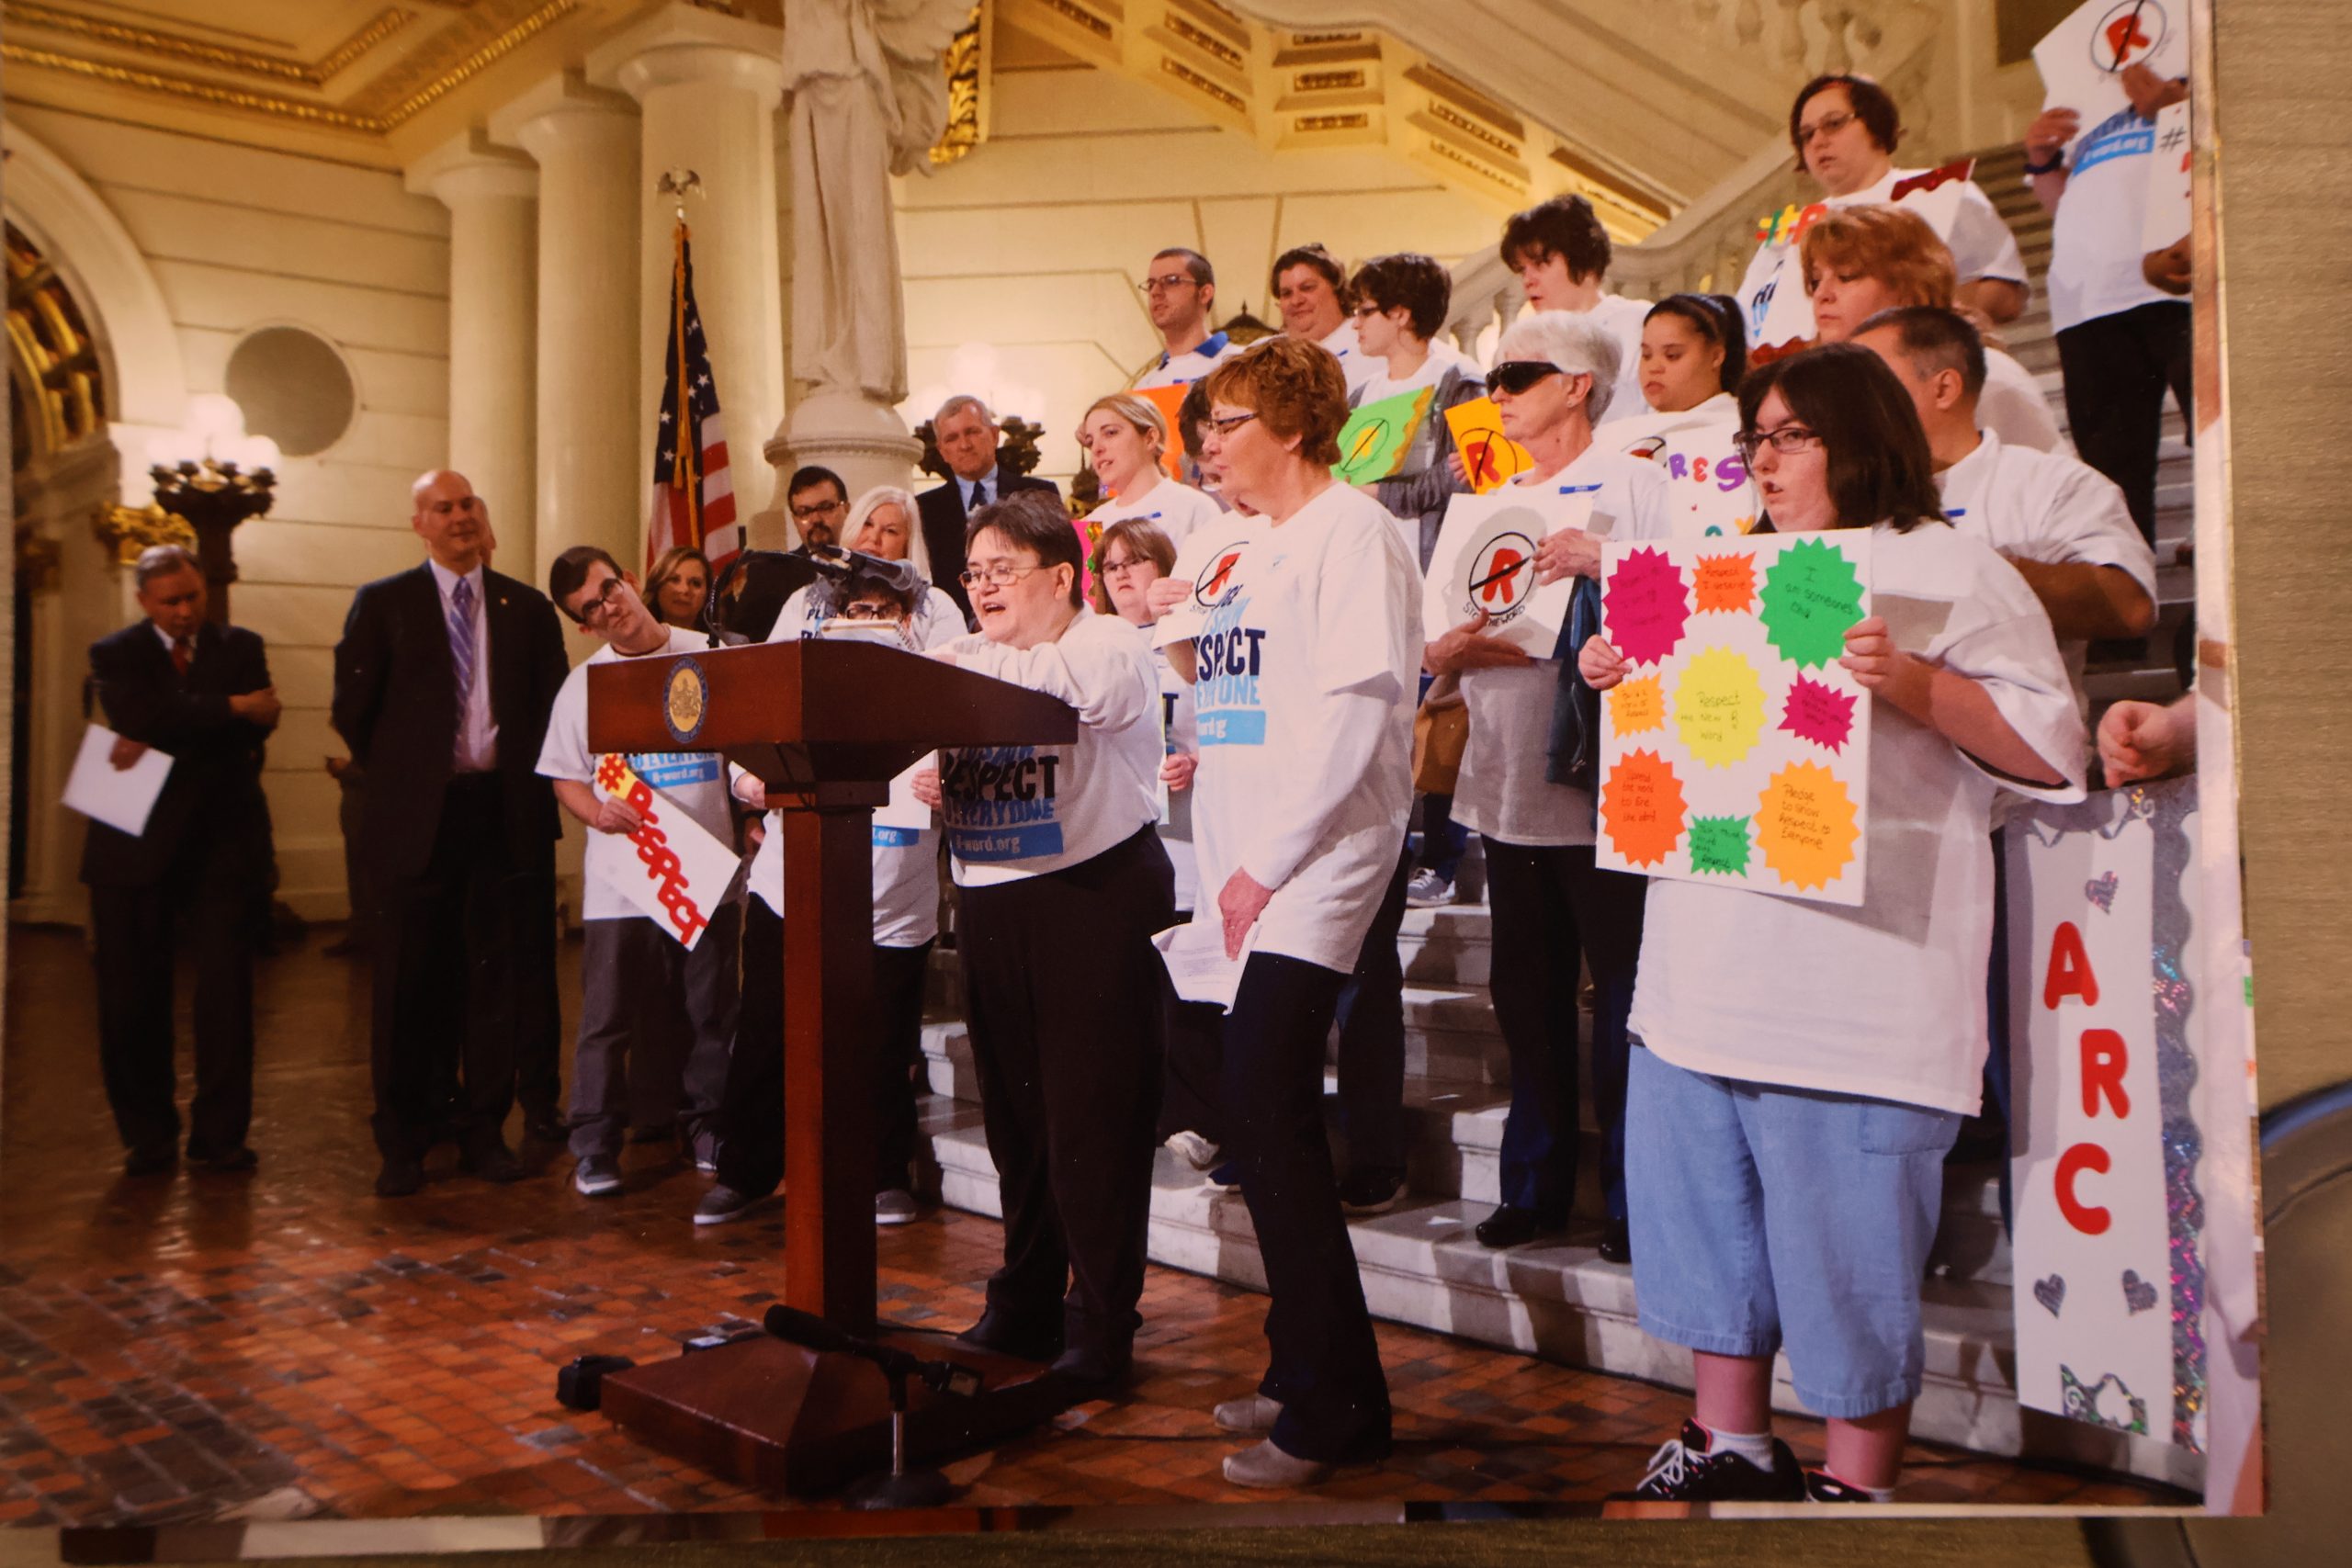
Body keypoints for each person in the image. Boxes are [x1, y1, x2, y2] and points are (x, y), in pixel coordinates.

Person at [1584, 344, 2084, 1502]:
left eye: (1790, 436)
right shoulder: (1718, 566)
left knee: (1845, 1254)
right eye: (1754, 438)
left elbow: (2053, 754)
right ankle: (1729, 1441)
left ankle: (1856, 1486)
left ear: (1861, 438)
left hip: (1857, 989)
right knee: (1704, 1223)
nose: (1763, 461)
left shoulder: (1951, 567)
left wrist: (1910, 682)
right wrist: (1626, 670)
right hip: (1700, 972)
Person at [1169, 334, 1420, 1487]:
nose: (1208, 444)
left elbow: (1355, 716)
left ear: (1292, 425)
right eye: (1206, 426)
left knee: (1267, 1106)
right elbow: (1223, 698)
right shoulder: (1243, 547)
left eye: (1227, 422)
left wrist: (1265, 864)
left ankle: (1341, 1409)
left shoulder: (1351, 530)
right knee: (1254, 1112)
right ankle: (1297, 1365)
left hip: (1317, 858)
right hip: (1246, 863)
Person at [908, 489, 1172, 1385]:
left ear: (1062, 577)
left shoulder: (1107, 642)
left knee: (1093, 1123)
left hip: (1089, 899)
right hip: (991, 904)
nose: (983, 588)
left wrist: (969, 675)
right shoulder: (965, 655)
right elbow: (915, 736)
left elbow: (1091, 695)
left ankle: (1100, 1323)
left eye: (1002, 571)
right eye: (973, 573)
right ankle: (1024, 1301)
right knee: (1016, 1124)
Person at [1424, 314, 1667, 1262]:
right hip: (1504, 773)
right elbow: (1438, 641)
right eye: (1494, 377)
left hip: (1606, 781)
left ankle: (1633, 1198)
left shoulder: (1638, 482)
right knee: (1525, 997)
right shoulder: (1486, 504)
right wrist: (1451, 647)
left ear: (1577, 384)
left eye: (1519, 374)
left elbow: (1695, 600)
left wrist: (1608, 565)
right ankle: (1532, 1185)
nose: (1498, 393)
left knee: (1622, 998)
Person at [333, 469, 571, 1198]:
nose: (461, 516)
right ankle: (403, 1138)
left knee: (493, 983)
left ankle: (482, 1131)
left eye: (468, 504)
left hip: (502, 818)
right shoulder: (384, 604)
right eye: (444, 507)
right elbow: (354, 710)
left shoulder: (527, 609)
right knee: (408, 982)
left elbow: (554, 712)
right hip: (417, 823)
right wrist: (413, 780)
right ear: (420, 524)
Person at [711, 558, 961, 1227]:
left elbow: (965, 753)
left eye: (884, 612)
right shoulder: (808, 680)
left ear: (907, 621)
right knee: (765, 1034)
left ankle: (883, 1176)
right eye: (857, 612)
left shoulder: (931, 683)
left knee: (883, 1046)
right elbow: (747, 741)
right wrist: (750, 782)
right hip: (793, 887)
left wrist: (949, 782)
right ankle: (744, 1172)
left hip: (892, 900)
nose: (869, 623)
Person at [535, 547, 739, 1197]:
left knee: (710, 1011)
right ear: (584, 625)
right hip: (623, 877)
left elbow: (747, 746)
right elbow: (564, 775)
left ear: (625, 578)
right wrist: (595, 811)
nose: (608, 607)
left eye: (607, 589)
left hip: (704, 867)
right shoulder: (584, 685)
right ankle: (594, 1144)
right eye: (590, 609)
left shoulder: (707, 653)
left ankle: (707, 1127)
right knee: (607, 1017)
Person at [81, 544, 279, 1177]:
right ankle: (148, 1136)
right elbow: (136, 712)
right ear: (144, 601)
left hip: (222, 840)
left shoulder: (240, 645)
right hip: (131, 837)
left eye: (193, 596)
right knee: (130, 996)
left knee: (226, 996)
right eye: (171, 601)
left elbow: (260, 723)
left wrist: (170, 727)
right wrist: (228, 707)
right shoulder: (115, 652)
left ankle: (220, 1138)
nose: (186, 610)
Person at [1855, 305, 2156, 711]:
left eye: (1869, 383)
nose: (1850, 403)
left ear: (1944, 389)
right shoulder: (1843, 493)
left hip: (2016, 740)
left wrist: (1967, 568)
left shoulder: (2050, 483)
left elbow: (2129, 607)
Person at [1344, 251, 1487, 912]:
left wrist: (1384, 494)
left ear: (1401, 314)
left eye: (1364, 310)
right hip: (1372, 574)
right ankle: (1390, 855)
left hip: (1437, 569)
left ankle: (1443, 860)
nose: (1354, 323)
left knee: (1441, 716)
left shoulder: (1462, 380)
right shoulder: (1362, 394)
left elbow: (1478, 475)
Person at [1092, 520, 1222, 1176]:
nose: (1121, 574)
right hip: (1119, 839)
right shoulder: (1092, 645)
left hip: (1189, 836)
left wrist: (1198, 760)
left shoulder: (1192, 640)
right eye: (1110, 564)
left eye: (1135, 561)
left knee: (1186, 982)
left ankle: (1197, 1117)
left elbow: (1230, 723)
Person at [2026, 62, 2194, 545]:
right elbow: (2065, 203)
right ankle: (2131, 589)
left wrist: (2181, 110)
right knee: (2114, 475)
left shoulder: (2195, 41)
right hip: (2090, 295)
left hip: (2186, 269)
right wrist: (2041, 160)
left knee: (2222, 438)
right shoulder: (2082, 66)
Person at [1761, 73, 2029, 329]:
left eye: (1834, 124)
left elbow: (2007, 294)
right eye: (1807, 135)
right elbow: (1754, 319)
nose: (1818, 141)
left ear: (1875, 124)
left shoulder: (1942, 191)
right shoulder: (1788, 229)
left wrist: (1924, 320)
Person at [1800, 205, 2062, 455]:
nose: (1822, 294)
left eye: (1846, 276)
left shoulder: (1988, 376)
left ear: (1908, 284)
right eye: (1815, 280)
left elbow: (2051, 477)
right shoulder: (1822, 395)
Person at [1498, 194, 1649, 422]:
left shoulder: (1636, 323)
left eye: (1540, 264)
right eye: (1522, 270)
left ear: (1582, 261)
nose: (1528, 280)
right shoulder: (1523, 343)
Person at [915, 395, 1064, 621]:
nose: (964, 445)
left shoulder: (1039, 494)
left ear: (994, 435)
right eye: (952, 438)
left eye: (972, 432)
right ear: (942, 451)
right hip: (955, 628)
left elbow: (1061, 561)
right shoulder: (923, 509)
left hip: (1033, 621)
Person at [773, 484, 966, 644]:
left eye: (890, 531)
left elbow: (949, 675)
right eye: (867, 524)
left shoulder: (935, 606)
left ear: (907, 545)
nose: (873, 538)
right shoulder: (803, 602)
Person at [1078, 393, 1226, 551]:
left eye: (1110, 433)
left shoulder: (1194, 507)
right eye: (1090, 442)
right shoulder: (1091, 524)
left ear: (1150, 438)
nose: (1097, 448)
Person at [1272, 242, 1374, 397]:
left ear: (1337, 289)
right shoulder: (1267, 352)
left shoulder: (1369, 344)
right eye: (1286, 293)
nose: (1296, 301)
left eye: (1307, 288)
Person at [1134, 247, 1238, 390]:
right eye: (1151, 284)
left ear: (1204, 293)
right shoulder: (1144, 386)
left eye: (1171, 281)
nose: (1155, 292)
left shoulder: (1240, 365)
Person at [643, 546, 713, 633]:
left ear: (707, 593)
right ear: (657, 586)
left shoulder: (723, 641)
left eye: (695, 583)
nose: (684, 590)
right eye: (674, 580)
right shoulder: (633, 639)